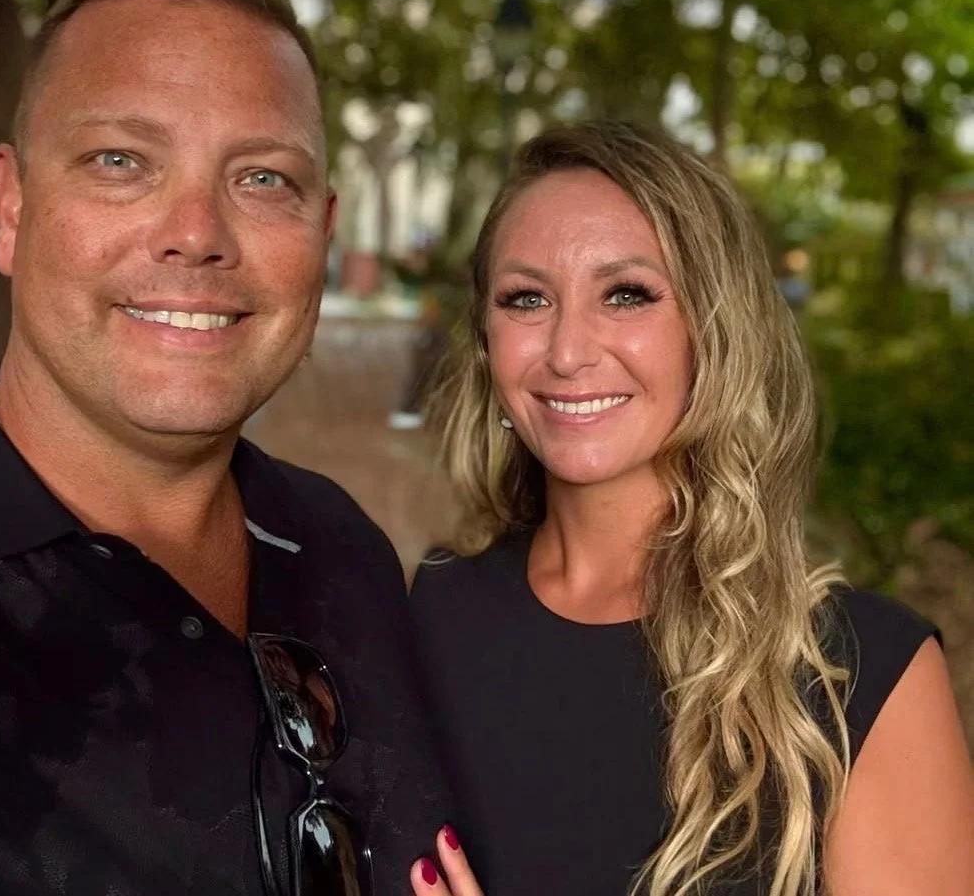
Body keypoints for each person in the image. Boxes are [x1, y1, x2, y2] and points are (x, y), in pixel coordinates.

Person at [0, 0, 450, 895]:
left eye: (262, 179)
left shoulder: (343, 550)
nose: (197, 235)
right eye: (121, 159)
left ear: (322, 235)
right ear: (11, 206)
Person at [409, 122, 974, 896]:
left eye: (626, 294)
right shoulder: (429, 614)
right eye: (526, 298)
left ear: (713, 332)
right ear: (486, 339)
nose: (568, 350)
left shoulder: (861, 675)